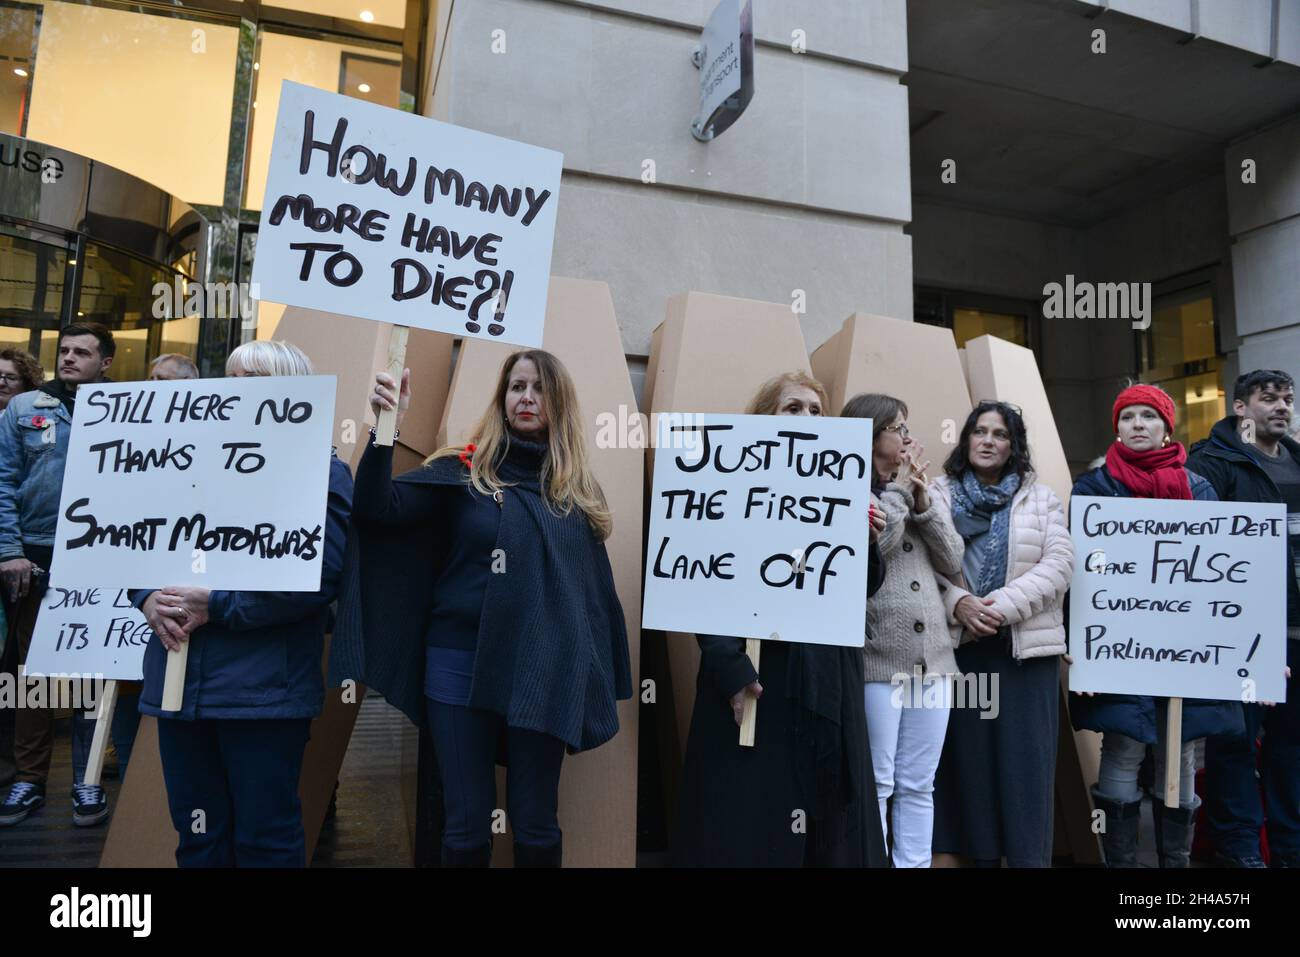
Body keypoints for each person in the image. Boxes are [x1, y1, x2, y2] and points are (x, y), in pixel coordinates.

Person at [334, 349, 632, 867]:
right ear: (502, 398)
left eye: (539, 389)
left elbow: (590, 598)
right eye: (517, 387)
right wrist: (387, 428)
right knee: (467, 828)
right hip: (457, 665)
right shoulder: (463, 472)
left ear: (557, 404)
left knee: (536, 825)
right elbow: (376, 509)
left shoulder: (575, 492)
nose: (527, 398)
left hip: (540, 671)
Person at [132, 340, 353, 866]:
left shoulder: (320, 470)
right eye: (231, 375)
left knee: (264, 840)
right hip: (179, 686)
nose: (237, 386)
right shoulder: (178, 457)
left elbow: (319, 577)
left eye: (253, 376)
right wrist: (145, 597)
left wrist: (220, 604)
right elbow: (130, 538)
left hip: (262, 695)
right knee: (199, 838)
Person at [672, 371, 889, 867]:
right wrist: (731, 669)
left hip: (827, 678)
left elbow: (860, 589)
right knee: (752, 818)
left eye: (816, 410)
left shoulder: (843, 486)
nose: (807, 418)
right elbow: (705, 582)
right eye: (793, 408)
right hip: (759, 674)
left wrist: (866, 543)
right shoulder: (727, 481)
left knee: (825, 817)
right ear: (765, 417)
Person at [1070, 384, 1241, 867]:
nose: (1137, 425)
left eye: (1148, 416)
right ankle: (1122, 866)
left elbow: (1225, 573)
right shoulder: (1092, 490)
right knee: (1123, 743)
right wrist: (1083, 645)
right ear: (1117, 427)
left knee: (1181, 749)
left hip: (1185, 643)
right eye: (1128, 417)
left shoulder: (1199, 487)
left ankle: (1176, 866)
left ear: (1167, 426)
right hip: (1120, 643)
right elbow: (1079, 572)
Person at [929, 400, 1074, 867]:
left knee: (1024, 771)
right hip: (960, 651)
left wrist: (999, 607)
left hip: (1023, 654)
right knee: (966, 769)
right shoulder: (936, 495)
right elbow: (918, 566)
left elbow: (1059, 565)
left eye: (1000, 435)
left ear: (1014, 447)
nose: (988, 441)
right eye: (980, 431)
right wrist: (960, 603)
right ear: (966, 438)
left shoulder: (1039, 498)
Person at [0, 324, 115, 828]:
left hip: (101, 559)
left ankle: (86, 780)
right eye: (64, 350)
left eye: (82, 352)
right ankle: (29, 778)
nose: (69, 358)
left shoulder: (129, 410)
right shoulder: (23, 410)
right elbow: (2, 480)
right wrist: (8, 551)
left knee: (90, 669)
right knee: (33, 673)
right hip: (35, 558)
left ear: (105, 362)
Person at [843, 393, 965, 868]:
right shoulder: (848, 487)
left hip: (932, 661)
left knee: (919, 783)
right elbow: (877, 546)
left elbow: (953, 560)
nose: (909, 439)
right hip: (877, 659)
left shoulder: (919, 489)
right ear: (871, 434)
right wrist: (898, 491)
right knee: (878, 780)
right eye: (899, 428)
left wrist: (922, 500)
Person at [1188, 369, 1300, 868]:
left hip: (1297, 633)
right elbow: (1199, 549)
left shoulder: (1298, 460)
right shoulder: (1209, 464)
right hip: (1244, 635)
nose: (1281, 407)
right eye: (1269, 398)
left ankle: (1290, 850)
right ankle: (1241, 857)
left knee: (1291, 748)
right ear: (1240, 408)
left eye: (1288, 399)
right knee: (1235, 745)